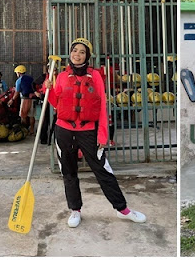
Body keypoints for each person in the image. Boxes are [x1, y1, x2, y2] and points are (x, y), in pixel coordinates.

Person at [45, 38, 146, 228]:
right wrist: (48, 89)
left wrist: (103, 135)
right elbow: (56, 103)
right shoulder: (61, 76)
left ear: (88, 56)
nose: (77, 54)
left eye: (82, 52)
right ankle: (75, 210)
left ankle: (122, 209)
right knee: (69, 172)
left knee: (103, 170)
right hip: (64, 130)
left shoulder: (95, 76)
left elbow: (102, 108)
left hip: (88, 131)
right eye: (74, 50)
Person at [9, 65, 36, 135]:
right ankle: (32, 130)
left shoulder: (19, 80)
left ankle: (24, 130)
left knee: (23, 115)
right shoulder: (31, 78)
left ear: (19, 72)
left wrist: (12, 99)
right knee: (31, 115)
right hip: (33, 98)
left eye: (17, 73)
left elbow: (17, 92)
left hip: (25, 99)